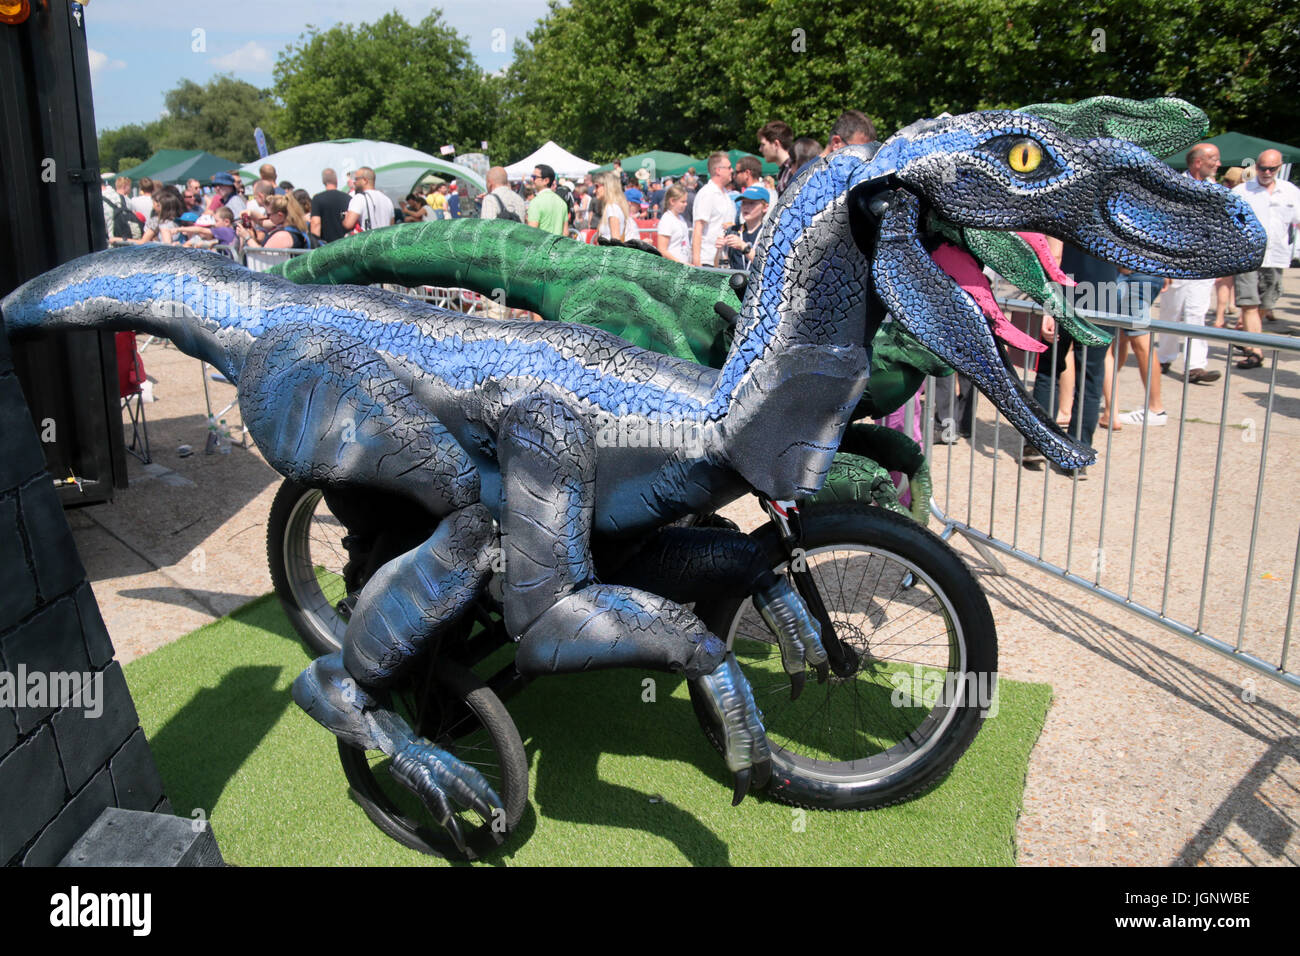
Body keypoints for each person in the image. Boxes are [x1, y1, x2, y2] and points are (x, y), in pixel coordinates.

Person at [1153, 143, 1223, 385]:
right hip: (1176, 263)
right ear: (1197, 162)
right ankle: (1164, 356)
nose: (1218, 164)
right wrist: (1163, 266)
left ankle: (1195, 365)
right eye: (1213, 159)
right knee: (1171, 312)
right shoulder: (1174, 188)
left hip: (1203, 265)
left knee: (1196, 312)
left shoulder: (1217, 191)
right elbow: (1162, 229)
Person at [1233, 149, 1300, 368]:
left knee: (1267, 301)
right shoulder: (1242, 191)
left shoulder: (1290, 191)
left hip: (1277, 255)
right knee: (1249, 302)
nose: (1267, 172)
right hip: (1248, 255)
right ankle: (1255, 351)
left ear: (1279, 167)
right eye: (1263, 168)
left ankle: (1251, 335)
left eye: (1272, 168)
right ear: (1256, 166)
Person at [691, 152, 734, 267]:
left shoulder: (725, 194)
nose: (732, 170)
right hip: (707, 260)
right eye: (729, 167)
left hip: (723, 260)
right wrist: (697, 263)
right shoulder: (707, 193)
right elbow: (698, 228)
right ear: (718, 170)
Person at [719, 185, 768, 270]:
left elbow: (766, 267)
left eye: (751, 203)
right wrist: (720, 251)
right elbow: (721, 266)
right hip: (734, 281)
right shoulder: (733, 231)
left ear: (765, 208)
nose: (746, 207)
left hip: (755, 282)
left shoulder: (768, 234)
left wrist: (744, 247)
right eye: (743, 203)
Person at [341, 166, 395, 233]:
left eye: (356, 179)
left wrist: (345, 217)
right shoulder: (387, 200)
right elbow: (392, 225)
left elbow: (348, 224)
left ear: (365, 180)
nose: (354, 182)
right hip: (384, 241)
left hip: (368, 241)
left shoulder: (359, 198)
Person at [594, 171, 637, 242]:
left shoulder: (612, 208)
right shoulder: (611, 207)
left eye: (597, 186)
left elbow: (616, 242)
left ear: (607, 186)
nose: (594, 191)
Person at [526, 163, 568, 236]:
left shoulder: (535, 202)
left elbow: (531, 234)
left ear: (546, 180)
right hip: (558, 246)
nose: (532, 179)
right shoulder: (562, 202)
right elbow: (565, 233)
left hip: (540, 246)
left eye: (534, 177)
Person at [310, 168, 350, 242]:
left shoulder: (317, 199)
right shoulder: (348, 198)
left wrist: (315, 244)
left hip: (326, 247)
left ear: (324, 182)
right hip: (346, 245)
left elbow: (316, 223)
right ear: (336, 181)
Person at [654, 184, 691, 263]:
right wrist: (680, 263)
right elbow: (662, 250)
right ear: (672, 201)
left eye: (686, 201)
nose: (685, 204)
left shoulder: (681, 219)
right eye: (682, 202)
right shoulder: (667, 219)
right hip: (672, 268)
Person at [758, 119, 795, 197]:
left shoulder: (792, 170)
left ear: (776, 144)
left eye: (763, 144)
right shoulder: (785, 170)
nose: (760, 149)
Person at [102, 175, 142, 241]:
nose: (130, 188)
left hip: (111, 239)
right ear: (125, 186)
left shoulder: (106, 199)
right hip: (126, 237)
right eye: (130, 186)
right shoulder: (127, 201)